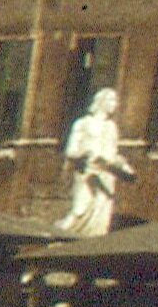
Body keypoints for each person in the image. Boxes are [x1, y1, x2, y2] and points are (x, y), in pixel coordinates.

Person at [54, 87, 136, 237]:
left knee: (101, 220)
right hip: (87, 173)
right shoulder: (82, 124)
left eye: (115, 100)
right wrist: (84, 153)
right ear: (101, 102)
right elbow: (71, 150)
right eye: (111, 100)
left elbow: (112, 153)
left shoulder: (111, 127)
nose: (115, 104)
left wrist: (123, 165)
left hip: (106, 177)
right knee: (80, 210)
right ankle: (59, 236)